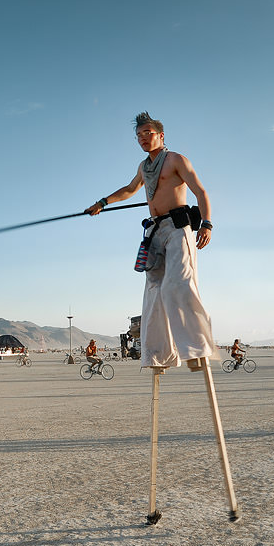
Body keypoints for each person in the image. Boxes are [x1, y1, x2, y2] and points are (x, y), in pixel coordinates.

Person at [88, 112, 216, 370]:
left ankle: (195, 349)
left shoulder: (176, 160)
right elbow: (129, 189)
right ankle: (159, 356)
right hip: (155, 232)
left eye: (148, 133)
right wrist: (103, 203)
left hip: (178, 227)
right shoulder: (144, 167)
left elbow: (200, 191)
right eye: (138, 135)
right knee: (154, 292)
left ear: (161, 135)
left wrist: (207, 223)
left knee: (178, 284)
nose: (143, 138)